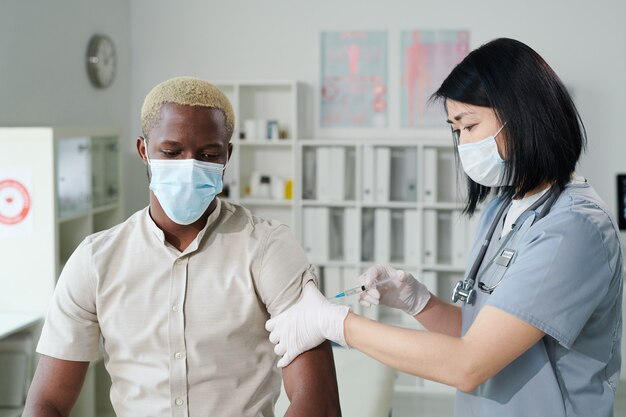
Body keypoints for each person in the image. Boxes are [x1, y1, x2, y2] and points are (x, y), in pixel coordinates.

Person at [266, 38, 623, 417]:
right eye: (456, 131)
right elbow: (479, 331)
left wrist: (336, 323)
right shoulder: (503, 209)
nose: (463, 143)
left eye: (469, 125)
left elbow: (467, 363)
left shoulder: (573, 230)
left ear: (522, 116)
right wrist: (420, 302)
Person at [23, 77, 341, 417]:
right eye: (172, 152)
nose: (189, 166)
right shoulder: (95, 261)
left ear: (226, 155)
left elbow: (316, 402)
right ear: (144, 151)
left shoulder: (267, 249)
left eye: (208, 154)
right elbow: (48, 402)